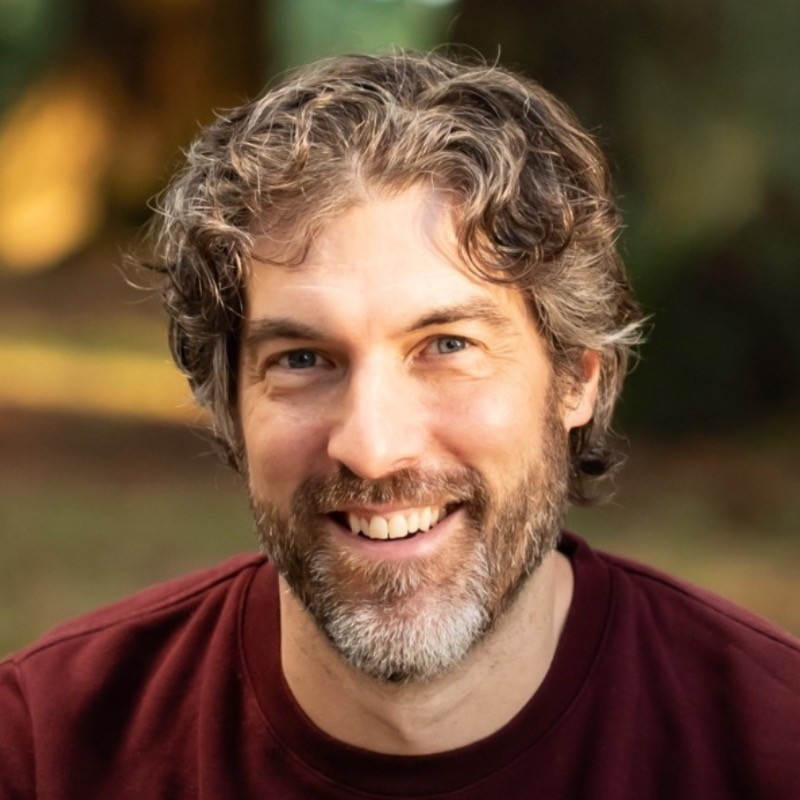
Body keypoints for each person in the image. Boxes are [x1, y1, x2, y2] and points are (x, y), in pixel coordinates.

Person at [1, 52, 798, 799]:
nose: (373, 448)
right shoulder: (45, 751)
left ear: (577, 380)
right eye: (302, 359)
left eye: (448, 346)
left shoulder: (772, 745)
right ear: (228, 401)